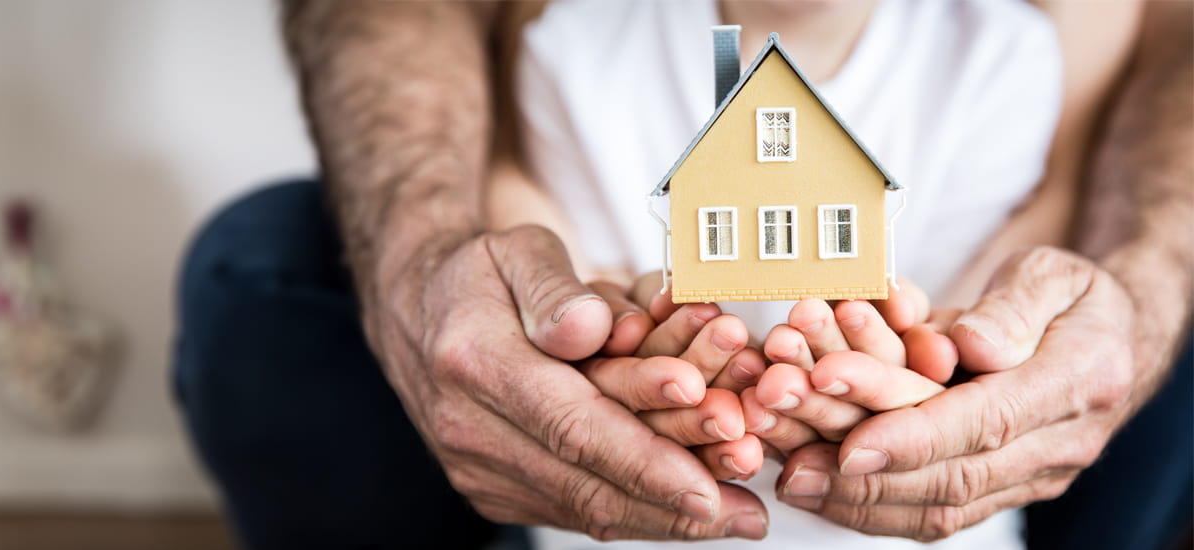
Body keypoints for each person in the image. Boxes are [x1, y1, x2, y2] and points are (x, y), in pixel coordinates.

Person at [172, 0, 1191, 547]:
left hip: (921, 513)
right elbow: (531, 214)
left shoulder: (1006, 56)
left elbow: (1022, 246)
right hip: (650, 510)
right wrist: (595, 322)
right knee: (254, 264)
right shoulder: (578, 43)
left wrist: (945, 356)